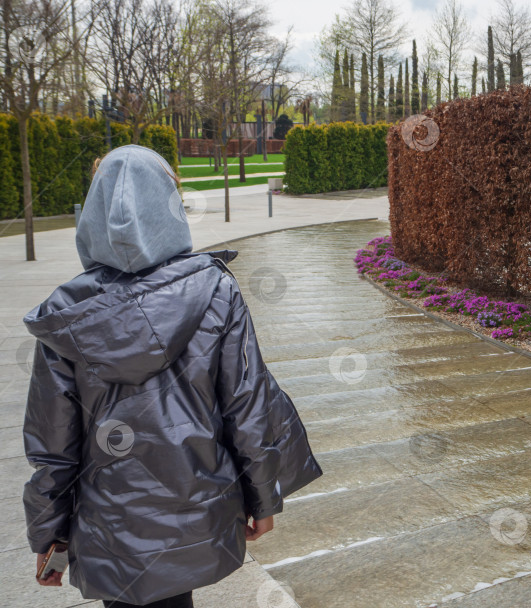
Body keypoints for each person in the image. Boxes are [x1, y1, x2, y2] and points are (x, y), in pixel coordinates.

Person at [21, 144, 323, 607]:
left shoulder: (68, 314)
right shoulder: (215, 289)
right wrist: (263, 500)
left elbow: (54, 445)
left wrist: (50, 538)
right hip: (193, 506)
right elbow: (247, 406)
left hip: (110, 523)